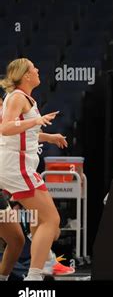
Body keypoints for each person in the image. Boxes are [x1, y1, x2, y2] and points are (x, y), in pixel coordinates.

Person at [0, 58, 67, 280]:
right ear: (25, 75)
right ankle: (35, 275)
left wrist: (48, 136)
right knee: (51, 221)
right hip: (15, 166)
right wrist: (36, 121)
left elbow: (24, 133)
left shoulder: (23, 98)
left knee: (44, 222)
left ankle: (42, 262)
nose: (38, 70)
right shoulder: (18, 97)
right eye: (33, 68)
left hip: (20, 165)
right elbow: (6, 128)